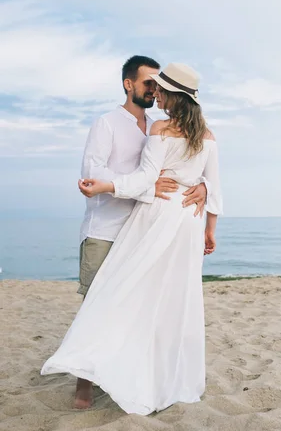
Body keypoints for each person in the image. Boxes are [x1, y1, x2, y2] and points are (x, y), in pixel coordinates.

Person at [41, 62, 222, 415]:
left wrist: (201, 186)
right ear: (128, 85)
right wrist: (208, 224)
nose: (155, 90)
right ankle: (90, 382)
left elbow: (167, 176)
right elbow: (101, 172)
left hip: (154, 221)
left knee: (136, 300)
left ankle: (132, 373)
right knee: (124, 299)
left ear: (171, 94)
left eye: (159, 86)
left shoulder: (159, 127)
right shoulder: (109, 124)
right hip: (144, 227)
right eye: (148, 83)